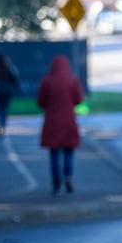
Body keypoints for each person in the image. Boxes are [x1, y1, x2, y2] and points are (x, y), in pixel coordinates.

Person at [36, 54, 85, 195]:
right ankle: (68, 176)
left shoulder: (47, 81)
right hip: (69, 120)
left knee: (54, 153)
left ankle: (56, 183)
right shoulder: (73, 81)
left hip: (51, 121)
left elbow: (41, 101)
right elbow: (79, 99)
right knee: (69, 151)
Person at [0, 52, 22, 136]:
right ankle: (2, 126)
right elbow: (15, 80)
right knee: (3, 110)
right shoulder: (9, 68)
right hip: (6, 92)